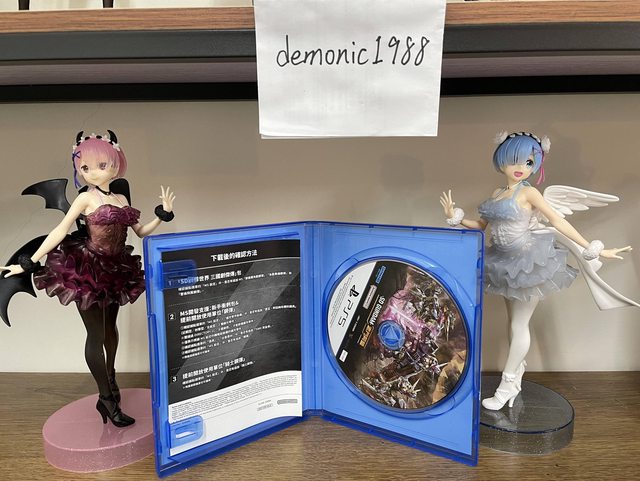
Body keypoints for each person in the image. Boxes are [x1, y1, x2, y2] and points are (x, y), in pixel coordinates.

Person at [440, 131, 633, 410]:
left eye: (529, 162)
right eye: (515, 160)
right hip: (503, 263)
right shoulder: (497, 194)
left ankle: (507, 384)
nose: (521, 167)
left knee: (519, 325)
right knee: (513, 323)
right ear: (501, 160)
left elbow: (557, 221)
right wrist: (456, 218)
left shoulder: (529, 192)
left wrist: (594, 247)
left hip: (529, 263)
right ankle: (516, 375)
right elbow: (482, 226)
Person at [0, 131, 175, 427]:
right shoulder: (85, 198)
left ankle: (111, 379)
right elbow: (60, 230)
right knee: (95, 334)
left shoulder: (120, 198)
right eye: (85, 167)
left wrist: (163, 215)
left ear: (116, 164)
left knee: (110, 330)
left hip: (116, 269)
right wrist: (28, 262)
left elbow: (141, 231)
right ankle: (105, 398)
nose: (92, 172)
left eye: (101, 165)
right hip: (87, 269)